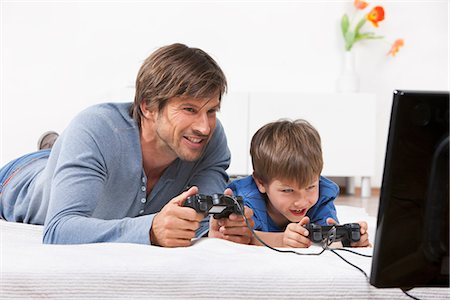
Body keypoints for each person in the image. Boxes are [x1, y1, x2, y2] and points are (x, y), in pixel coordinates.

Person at [0, 43, 254, 247]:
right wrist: (151, 229)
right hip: (17, 178)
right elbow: (59, 229)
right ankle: (52, 148)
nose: (204, 126)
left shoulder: (210, 138)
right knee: (71, 150)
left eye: (211, 111)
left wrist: (220, 226)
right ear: (148, 107)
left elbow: (202, 215)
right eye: (189, 109)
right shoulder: (95, 128)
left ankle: (54, 145)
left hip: (86, 154)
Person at [228, 119, 370, 248]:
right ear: (261, 183)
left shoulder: (322, 196)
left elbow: (327, 237)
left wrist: (350, 240)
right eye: (288, 190)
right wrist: (283, 240)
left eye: (310, 187)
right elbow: (245, 238)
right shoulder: (247, 199)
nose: (301, 202)